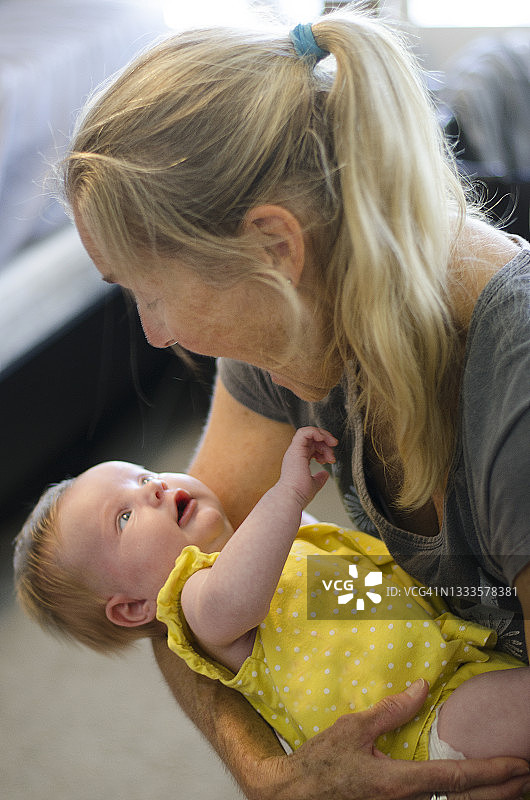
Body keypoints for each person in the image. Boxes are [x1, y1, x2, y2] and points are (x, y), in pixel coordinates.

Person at [59, 7, 530, 799]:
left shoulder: (512, 389)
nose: (158, 330)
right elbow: (184, 598)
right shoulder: (296, 322)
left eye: (151, 290)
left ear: (275, 247)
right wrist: (273, 775)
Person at [13, 427, 529, 770]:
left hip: (457, 663)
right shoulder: (195, 605)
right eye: (123, 517)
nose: (151, 489)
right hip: (423, 732)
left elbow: (369, 585)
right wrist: (284, 495)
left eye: (143, 474)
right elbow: (236, 597)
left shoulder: (276, 543)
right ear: (131, 608)